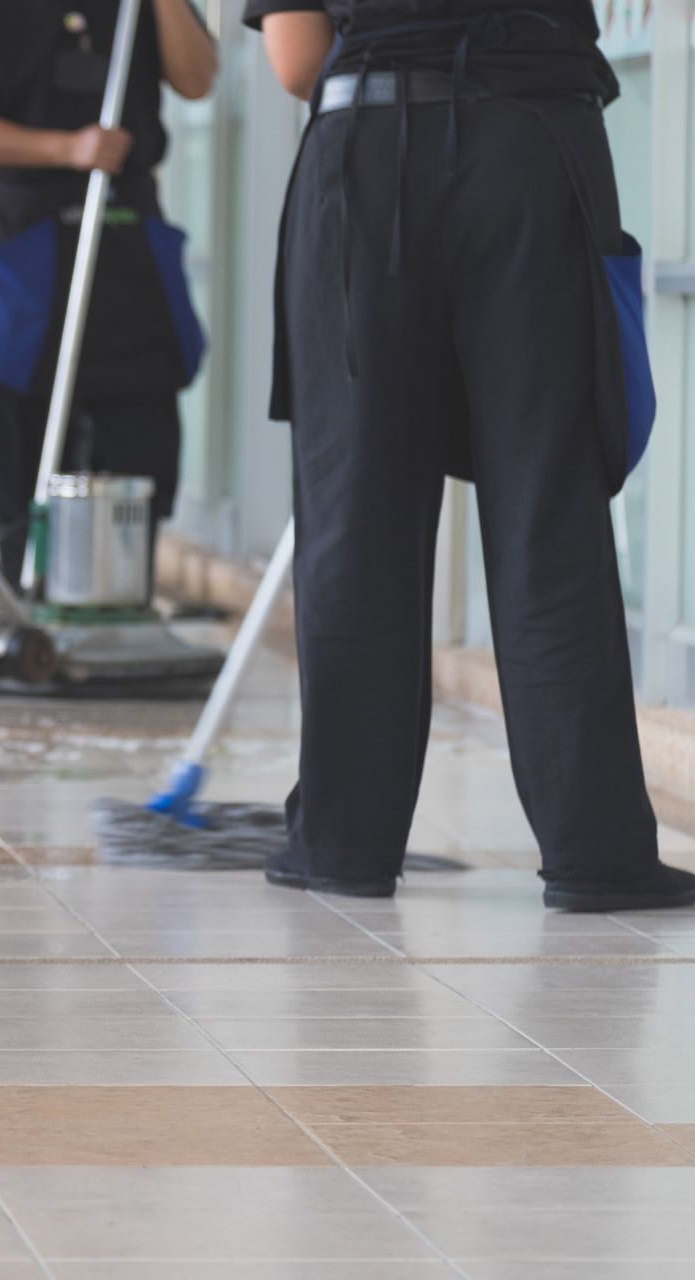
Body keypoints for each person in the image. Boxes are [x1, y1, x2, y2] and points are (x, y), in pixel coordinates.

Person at [248, 2, 695, 911]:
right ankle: (596, 852)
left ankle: (343, 843)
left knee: (357, 515)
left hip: (365, 157)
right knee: (549, 503)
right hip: (538, 150)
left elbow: (294, 60)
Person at [0, 0, 218, 590]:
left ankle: (125, 587)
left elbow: (197, 79)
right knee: (21, 401)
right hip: (21, 229)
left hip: (124, 216)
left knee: (143, 403)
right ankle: (26, 585)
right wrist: (68, 149)